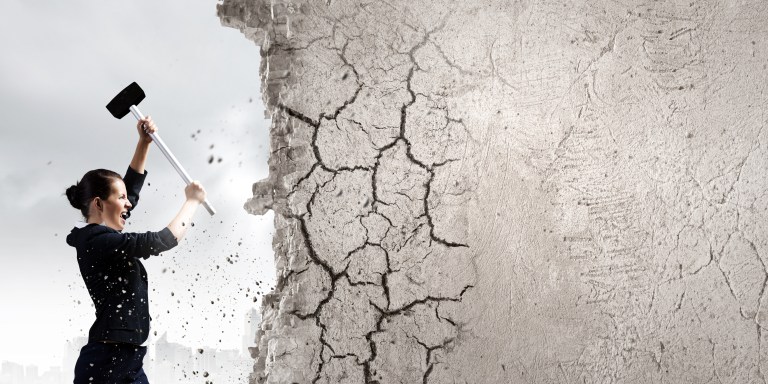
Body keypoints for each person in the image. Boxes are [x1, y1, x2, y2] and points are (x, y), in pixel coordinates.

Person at [65, 116, 206, 383]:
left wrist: (144, 143)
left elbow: (129, 194)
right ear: (98, 203)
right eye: (120, 198)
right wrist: (192, 202)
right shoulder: (96, 240)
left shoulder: (100, 235)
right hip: (108, 360)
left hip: (125, 356)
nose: (128, 204)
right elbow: (162, 240)